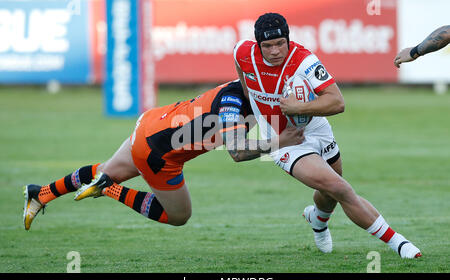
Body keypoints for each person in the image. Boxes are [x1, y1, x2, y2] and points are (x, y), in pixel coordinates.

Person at [234, 12, 421, 258]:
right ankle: (399, 243)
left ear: (288, 40)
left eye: (280, 43)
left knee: (329, 192)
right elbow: (244, 82)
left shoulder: (304, 61)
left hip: (315, 128)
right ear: (258, 46)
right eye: (268, 46)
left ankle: (317, 221)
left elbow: (337, 102)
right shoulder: (242, 52)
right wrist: (256, 114)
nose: (275, 51)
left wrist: (298, 108)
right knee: (339, 187)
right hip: (284, 141)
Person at [23, 81, 304, 230]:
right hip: (160, 154)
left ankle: (41, 193)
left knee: (106, 167)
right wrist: (281, 140)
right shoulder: (234, 102)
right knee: (178, 216)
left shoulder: (244, 87)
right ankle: (109, 189)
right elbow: (238, 152)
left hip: (153, 122)